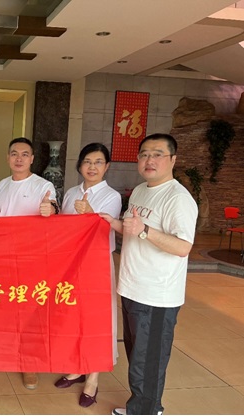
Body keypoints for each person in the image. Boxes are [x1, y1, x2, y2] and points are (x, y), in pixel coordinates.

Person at [99, 133, 198, 415]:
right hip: (132, 287)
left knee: (148, 359)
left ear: (173, 160)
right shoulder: (141, 190)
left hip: (156, 294)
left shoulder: (178, 198)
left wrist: (144, 230)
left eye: (157, 154)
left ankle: (147, 410)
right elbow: (133, 229)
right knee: (137, 354)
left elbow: (183, 247)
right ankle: (144, 405)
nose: (149, 160)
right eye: (144, 154)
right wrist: (113, 223)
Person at [55, 143, 121, 407]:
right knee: (73, 316)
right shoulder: (71, 192)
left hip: (96, 266)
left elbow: (106, 229)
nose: (92, 167)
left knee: (96, 320)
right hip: (71, 264)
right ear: (80, 165)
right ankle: (77, 368)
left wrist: (91, 214)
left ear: (107, 166)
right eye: (87, 162)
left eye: (98, 162)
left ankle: (93, 377)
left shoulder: (112, 196)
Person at [0, 137, 58, 390]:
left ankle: (29, 364)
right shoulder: (1, 185)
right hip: (3, 257)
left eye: (24, 154)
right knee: (4, 307)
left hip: (31, 258)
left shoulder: (43, 185)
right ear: (7, 158)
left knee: (30, 311)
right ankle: (5, 354)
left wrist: (49, 209)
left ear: (32, 158)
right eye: (14, 154)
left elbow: (53, 207)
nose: (19, 158)